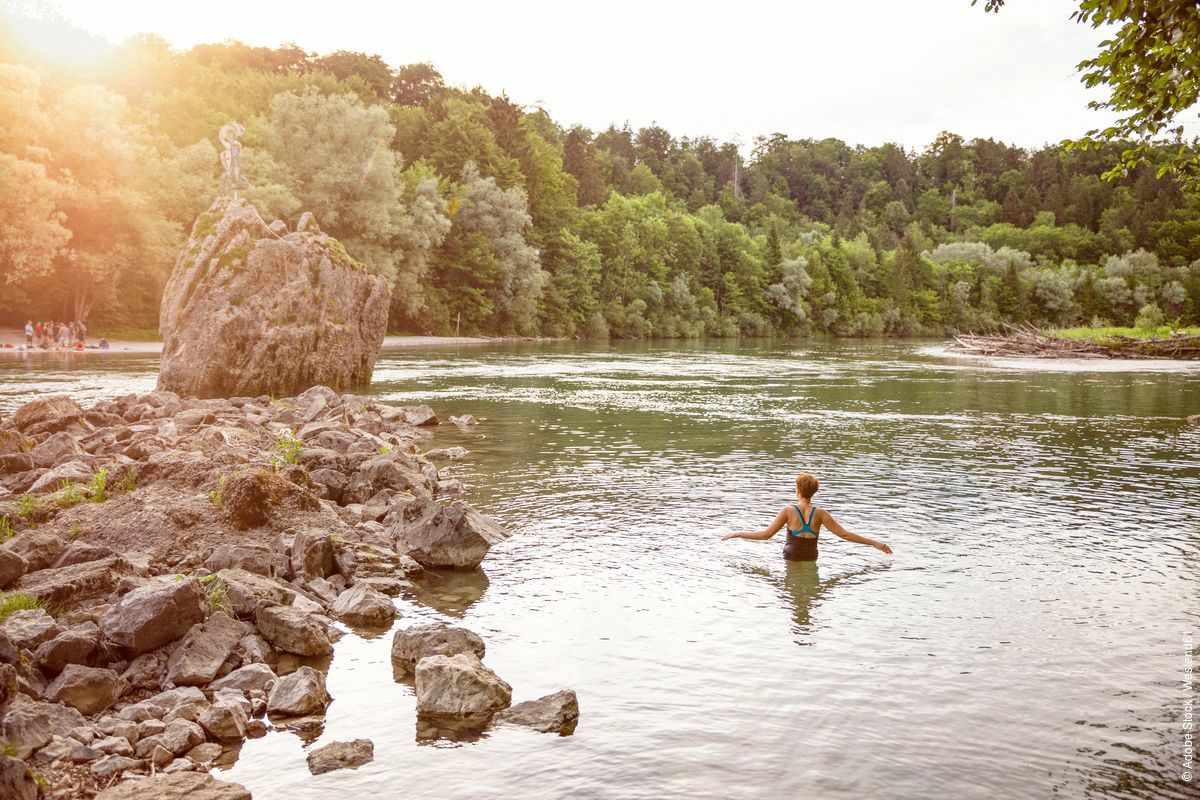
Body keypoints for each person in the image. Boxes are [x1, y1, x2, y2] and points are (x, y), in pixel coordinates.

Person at [721, 473, 892, 560]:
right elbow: (845, 535)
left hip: (791, 556)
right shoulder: (821, 514)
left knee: (793, 589)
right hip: (811, 557)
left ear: (797, 489)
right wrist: (874, 543)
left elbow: (766, 535)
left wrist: (738, 533)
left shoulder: (788, 511)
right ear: (814, 492)